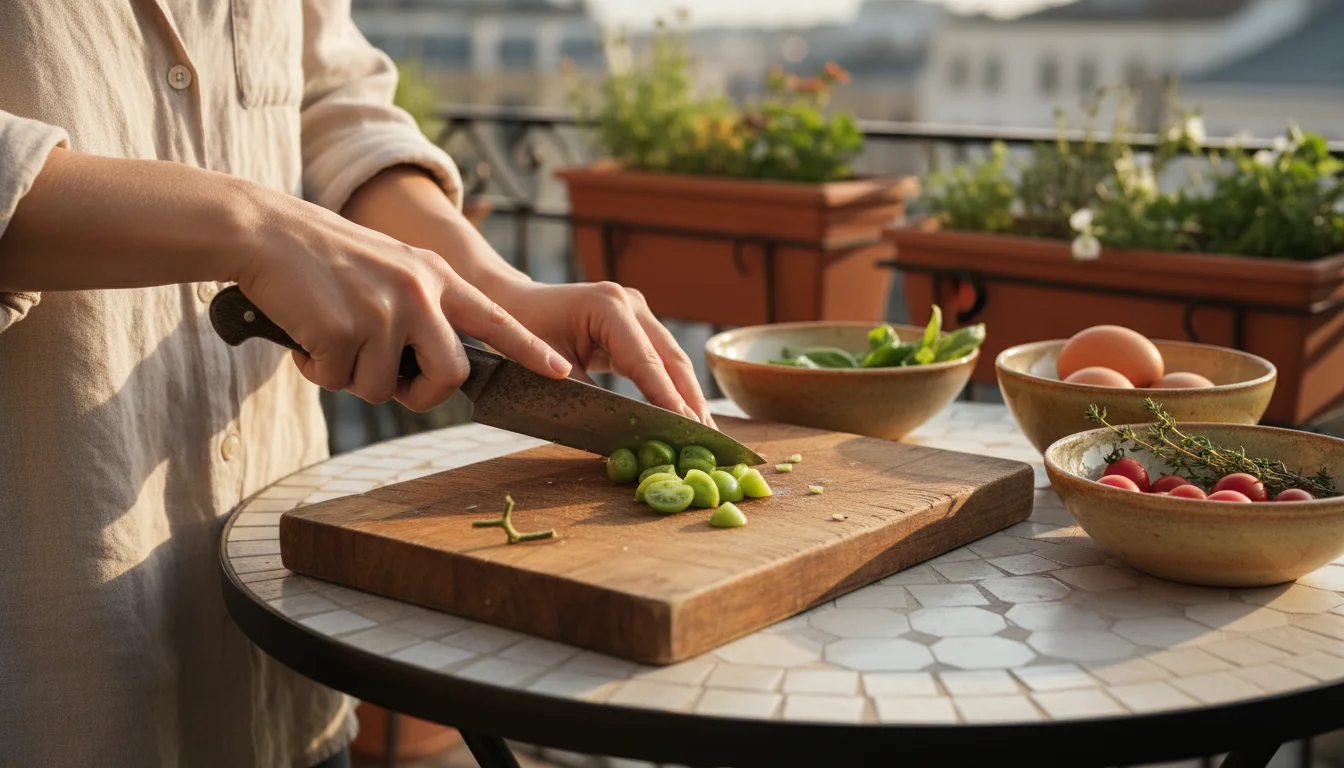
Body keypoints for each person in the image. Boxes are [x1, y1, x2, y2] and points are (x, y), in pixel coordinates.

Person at [0, 2, 714, 766]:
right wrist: (252, 226)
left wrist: (492, 290)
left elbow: (332, 107)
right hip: (57, 683)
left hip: (288, 666)